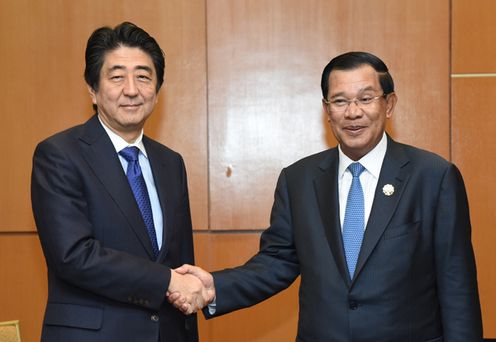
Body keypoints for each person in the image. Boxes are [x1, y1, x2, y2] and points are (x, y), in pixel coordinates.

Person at [169, 51, 483, 340]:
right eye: (340, 101)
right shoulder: (299, 180)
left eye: (366, 98)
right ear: (326, 110)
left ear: (389, 104)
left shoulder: (433, 177)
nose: (353, 112)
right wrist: (214, 288)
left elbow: (457, 287)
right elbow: (276, 263)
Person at [31, 22, 211, 342]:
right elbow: (73, 255)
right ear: (93, 89)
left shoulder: (171, 163)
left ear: (157, 89)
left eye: (143, 76)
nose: (131, 89)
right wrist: (166, 281)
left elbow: (181, 264)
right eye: (117, 77)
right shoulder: (59, 154)